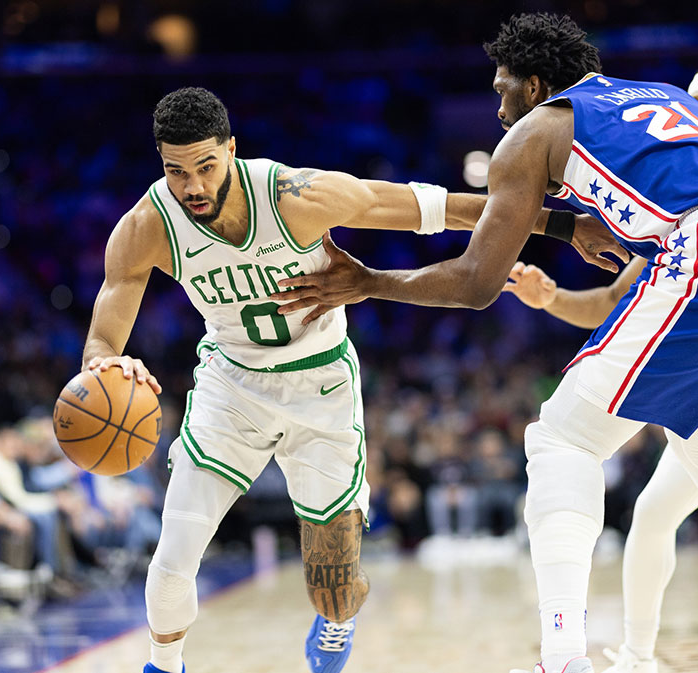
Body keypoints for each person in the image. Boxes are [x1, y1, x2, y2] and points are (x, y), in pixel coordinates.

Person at [270, 13, 698, 673]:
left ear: (536, 85)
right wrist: (569, 225)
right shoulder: (659, 93)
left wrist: (369, 280)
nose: (498, 109)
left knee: (562, 437)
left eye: (502, 91)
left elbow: (474, 282)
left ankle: (563, 655)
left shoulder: (538, 130)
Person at [79, 86, 619, 673]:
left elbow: (429, 209)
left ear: (232, 150)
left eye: (207, 167)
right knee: (172, 559)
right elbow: (102, 342)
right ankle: (165, 663)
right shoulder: (146, 226)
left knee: (333, 591)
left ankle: (337, 621)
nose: (194, 187)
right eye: (177, 171)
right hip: (231, 388)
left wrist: (564, 228)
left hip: (320, 386)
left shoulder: (294, 196)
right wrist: (107, 364)